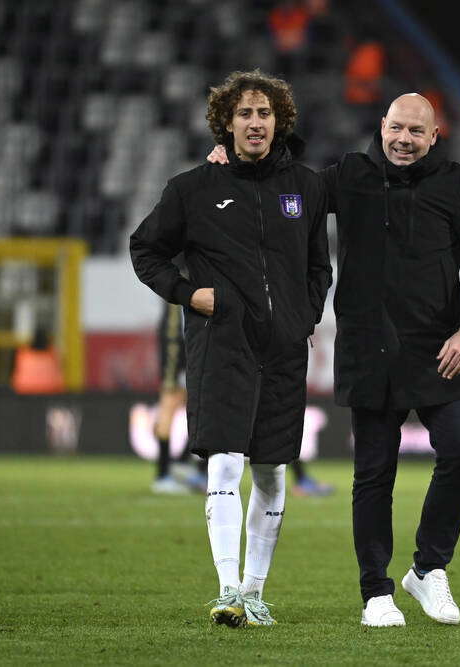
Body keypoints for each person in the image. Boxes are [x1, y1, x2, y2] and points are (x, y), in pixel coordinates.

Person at [209, 92, 460, 627]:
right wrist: (230, 161)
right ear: (382, 125)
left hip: (440, 349)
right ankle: (376, 593)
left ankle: (429, 569)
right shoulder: (349, 174)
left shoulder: (456, 183)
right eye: (396, 128)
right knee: (374, 474)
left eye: (416, 132)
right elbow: (288, 187)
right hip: (368, 349)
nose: (403, 139)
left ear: (433, 137)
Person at [130, 69, 332, 627]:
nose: (255, 123)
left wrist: (303, 317)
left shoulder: (308, 188)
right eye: (244, 113)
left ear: (279, 122)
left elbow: (320, 266)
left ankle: (255, 590)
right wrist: (187, 293)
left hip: (285, 349)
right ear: (225, 123)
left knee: (270, 472)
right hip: (221, 346)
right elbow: (145, 250)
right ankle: (227, 592)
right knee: (224, 462)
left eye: (264, 113)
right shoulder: (191, 189)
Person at [151, 299, 207, 495]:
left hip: (184, 351)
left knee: (200, 405)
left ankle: (182, 464)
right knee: (168, 406)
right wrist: (173, 368)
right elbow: (171, 331)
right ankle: (162, 475)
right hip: (175, 354)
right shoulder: (175, 301)